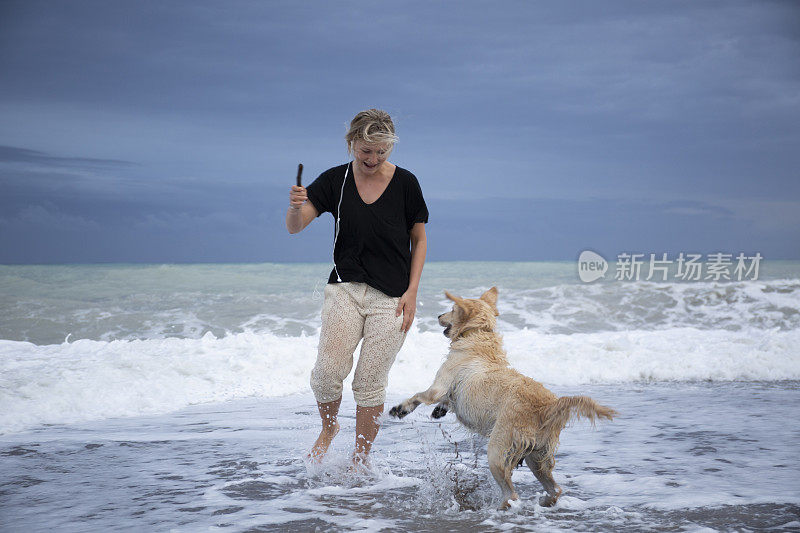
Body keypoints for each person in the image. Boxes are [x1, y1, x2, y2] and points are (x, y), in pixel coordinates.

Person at [286, 109, 428, 467]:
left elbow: (419, 239)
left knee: (368, 382)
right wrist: (295, 207)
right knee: (326, 373)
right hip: (345, 289)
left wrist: (412, 292)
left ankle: (360, 459)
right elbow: (295, 227)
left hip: (392, 298)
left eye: (381, 151)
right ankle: (329, 428)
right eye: (366, 150)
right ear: (352, 144)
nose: (373, 159)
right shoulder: (336, 180)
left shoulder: (407, 183)